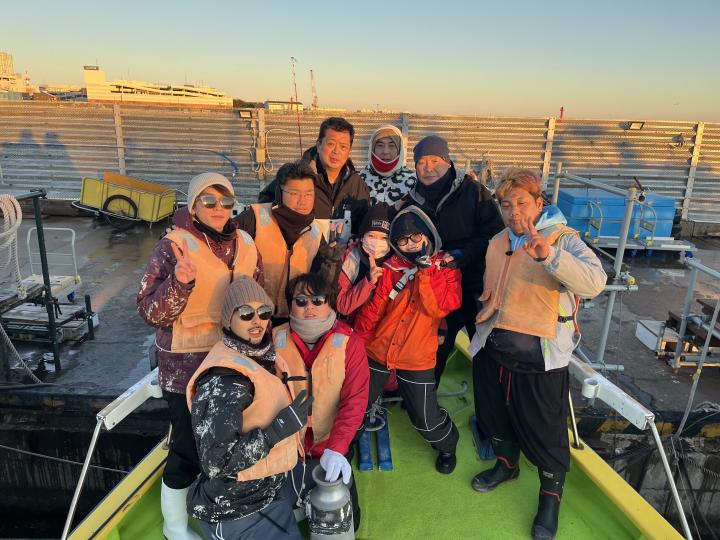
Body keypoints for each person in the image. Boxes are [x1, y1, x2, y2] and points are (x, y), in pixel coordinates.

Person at [469, 168, 606, 540]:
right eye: (506, 204)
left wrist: (549, 255)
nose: (514, 212)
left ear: (539, 203)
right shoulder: (497, 240)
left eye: (522, 203)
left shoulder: (564, 239)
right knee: (493, 417)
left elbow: (595, 282)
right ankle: (506, 465)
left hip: (540, 357)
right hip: (494, 347)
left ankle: (550, 498)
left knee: (546, 433)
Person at [137, 172, 261, 540]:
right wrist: (180, 282)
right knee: (188, 450)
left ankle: (220, 516)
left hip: (232, 363)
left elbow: (256, 297)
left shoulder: (246, 243)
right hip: (185, 369)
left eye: (226, 201)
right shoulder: (172, 246)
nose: (218, 208)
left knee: (227, 445)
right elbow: (150, 312)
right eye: (208, 200)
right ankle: (174, 528)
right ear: (193, 206)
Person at [186, 277, 310, 540]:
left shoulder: (258, 358)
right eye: (245, 313)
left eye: (263, 312)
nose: (257, 321)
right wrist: (278, 430)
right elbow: (216, 463)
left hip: (268, 489)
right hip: (238, 508)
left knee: (333, 485)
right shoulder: (223, 381)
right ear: (228, 320)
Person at [354, 206, 462, 474]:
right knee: (357, 404)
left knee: (425, 418)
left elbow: (440, 307)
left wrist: (426, 272)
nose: (410, 244)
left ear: (428, 235)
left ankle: (448, 445)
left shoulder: (446, 269)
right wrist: (358, 343)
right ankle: (346, 442)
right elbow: (375, 308)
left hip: (416, 357)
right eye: (402, 240)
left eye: (416, 236)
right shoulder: (391, 267)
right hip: (379, 350)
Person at [396, 134, 504, 385]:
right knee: (433, 350)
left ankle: (489, 397)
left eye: (435, 160)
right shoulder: (412, 200)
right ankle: (425, 396)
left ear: (448, 162)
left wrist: (464, 255)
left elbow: (495, 233)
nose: (428, 168)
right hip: (436, 290)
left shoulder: (473, 191)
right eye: (421, 162)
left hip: (475, 285)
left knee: (485, 350)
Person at [274, 273, 369, 531]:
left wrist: (337, 449)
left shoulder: (351, 343)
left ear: (330, 303)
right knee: (277, 521)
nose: (309, 307)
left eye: (317, 300)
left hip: (329, 447)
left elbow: (355, 401)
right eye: (301, 301)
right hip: (286, 449)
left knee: (350, 523)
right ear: (290, 305)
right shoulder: (273, 341)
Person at [236, 160, 345, 320]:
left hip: (293, 320)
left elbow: (320, 288)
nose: (303, 201)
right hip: (252, 317)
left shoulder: (315, 232)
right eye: (294, 194)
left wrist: (331, 262)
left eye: (309, 194)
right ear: (280, 192)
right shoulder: (255, 218)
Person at [259, 117, 370, 241]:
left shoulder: (358, 186)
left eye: (343, 146)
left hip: (342, 253)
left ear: (349, 150)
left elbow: (363, 228)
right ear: (318, 145)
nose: (336, 151)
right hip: (302, 251)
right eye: (331, 144)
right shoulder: (296, 176)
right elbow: (264, 208)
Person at [335, 202, 393, 319]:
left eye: (384, 238)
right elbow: (342, 306)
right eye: (371, 236)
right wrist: (368, 281)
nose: (377, 243)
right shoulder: (349, 258)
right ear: (362, 237)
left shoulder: (396, 265)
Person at [358, 124, 416, 204]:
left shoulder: (413, 182)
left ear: (400, 149)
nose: (385, 151)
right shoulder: (358, 180)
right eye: (380, 145)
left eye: (391, 145)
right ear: (372, 148)